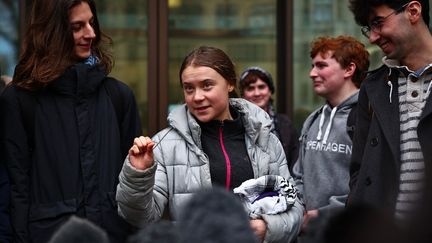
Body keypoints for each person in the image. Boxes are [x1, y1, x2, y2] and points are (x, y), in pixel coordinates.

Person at [116, 46, 304, 243]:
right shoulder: (164, 145)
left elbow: (295, 207)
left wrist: (268, 228)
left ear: (230, 84)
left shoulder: (266, 140)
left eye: (207, 85)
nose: (197, 97)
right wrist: (137, 176)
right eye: (189, 88)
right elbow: (138, 217)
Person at [0, 0, 142, 242]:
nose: (91, 33)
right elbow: (15, 189)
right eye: (77, 27)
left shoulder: (119, 96)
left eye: (92, 23)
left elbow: (133, 190)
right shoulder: (19, 101)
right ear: (52, 32)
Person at [348, 0, 432, 224]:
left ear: (413, 11)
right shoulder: (373, 87)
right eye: (369, 28)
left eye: (378, 22)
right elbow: (359, 171)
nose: (373, 37)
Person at [292, 35, 369, 236]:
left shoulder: (368, 119)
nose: (312, 73)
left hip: (348, 232)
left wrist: (325, 214)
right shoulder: (313, 119)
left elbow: (370, 183)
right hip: (308, 233)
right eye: (312, 66)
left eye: (321, 66)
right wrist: (299, 211)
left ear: (349, 69)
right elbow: (298, 175)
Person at [239, 67, 299, 174]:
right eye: (250, 88)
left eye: (261, 87)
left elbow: (295, 161)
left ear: (270, 91)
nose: (257, 93)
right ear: (243, 95)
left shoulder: (284, 124)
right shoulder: (237, 124)